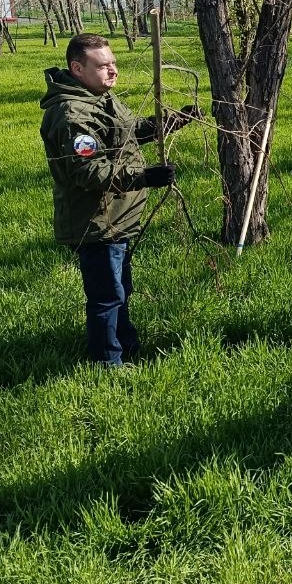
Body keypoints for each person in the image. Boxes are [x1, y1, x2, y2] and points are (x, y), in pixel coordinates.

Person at [40, 33, 199, 366]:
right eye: (103, 66)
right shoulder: (72, 115)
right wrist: (143, 177)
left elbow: (126, 132)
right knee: (107, 296)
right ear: (77, 68)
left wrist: (169, 123)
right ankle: (108, 365)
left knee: (120, 290)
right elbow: (88, 171)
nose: (112, 72)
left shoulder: (100, 97)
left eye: (114, 64)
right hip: (96, 222)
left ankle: (128, 348)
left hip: (118, 217)